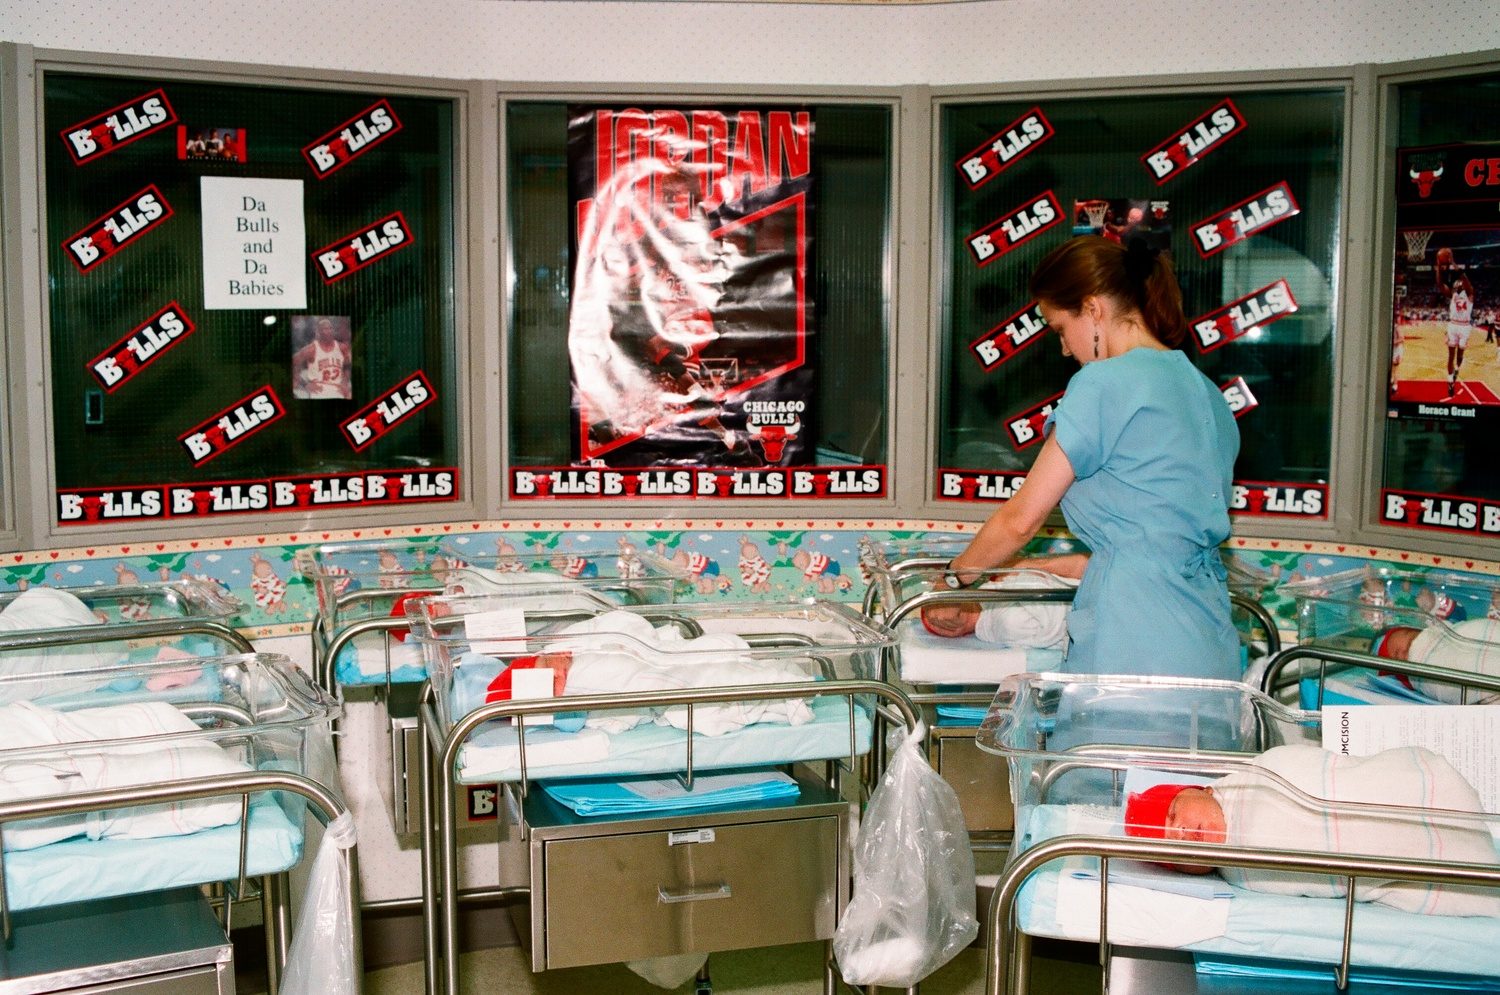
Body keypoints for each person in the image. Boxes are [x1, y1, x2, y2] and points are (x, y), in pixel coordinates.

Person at [949, 236, 1241, 679]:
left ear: (1092, 309)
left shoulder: (1104, 383)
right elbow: (1144, 549)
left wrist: (955, 582)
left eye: (1060, 330)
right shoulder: (1207, 394)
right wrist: (1026, 568)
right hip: (1208, 640)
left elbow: (1020, 520)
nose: (1065, 349)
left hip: (1135, 643)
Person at [1123, 744, 1500, 917]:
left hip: (1397, 793)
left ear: (1200, 788)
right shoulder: (1246, 876)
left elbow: (1319, 769)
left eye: (1173, 815)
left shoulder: (1258, 776)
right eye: (1172, 849)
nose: (1182, 833)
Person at [917, 570, 1077, 648]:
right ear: (953, 632)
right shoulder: (1004, 623)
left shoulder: (988, 592)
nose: (942, 611)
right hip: (1084, 609)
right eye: (937, 621)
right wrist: (1021, 577)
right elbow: (1056, 618)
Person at [1371, 616, 1500, 703]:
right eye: (1399, 655)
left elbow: (1475, 629)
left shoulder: (1434, 635)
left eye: (1411, 640)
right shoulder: (1423, 678)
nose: (1409, 649)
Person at [1437, 256, 1475, 400]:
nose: (1458, 284)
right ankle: (1450, 382)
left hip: (1465, 326)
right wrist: (1438, 267)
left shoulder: (1470, 293)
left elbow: (1464, 277)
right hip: (1453, 325)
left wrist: (1453, 263)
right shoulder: (1452, 294)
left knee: (1460, 355)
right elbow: (1440, 284)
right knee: (1451, 355)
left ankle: (1457, 370)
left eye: (1460, 283)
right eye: (1456, 283)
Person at [293, 317, 352, 399]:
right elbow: (293, 363)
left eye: (330, 328)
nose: (329, 331)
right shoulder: (311, 349)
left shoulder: (342, 348)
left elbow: (347, 366)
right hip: (319, 388)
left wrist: (345, 382)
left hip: (339, 386)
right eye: (325, 329)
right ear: (318, 332)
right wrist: (304, 384)